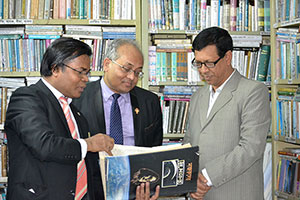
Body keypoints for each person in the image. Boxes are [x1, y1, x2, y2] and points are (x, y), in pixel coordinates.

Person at [4, 37, 159, 200]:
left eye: (87, 73)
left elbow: (87, 165)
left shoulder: (73, 111)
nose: (86, 79)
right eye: (80, 72)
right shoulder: (27, 98)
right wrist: (89, 143)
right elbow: (45, 145)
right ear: (55, 68)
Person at [183, 27, 271, 200]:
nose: (203, 70)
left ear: (228, 57)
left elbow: (250, 147)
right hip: (198, 194)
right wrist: (190, 181)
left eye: (209, 63)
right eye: (198, 63)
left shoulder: (253, 91)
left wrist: (207, 178)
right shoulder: (197, 97)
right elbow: (188, 144)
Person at [73, 39, 163, 199]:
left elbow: (154, 151)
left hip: (135, 191)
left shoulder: (149, 102)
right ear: (107, 64)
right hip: (90, 190)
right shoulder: (78, 98)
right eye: (127, 69)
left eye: (137, 72)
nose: (132, 77)